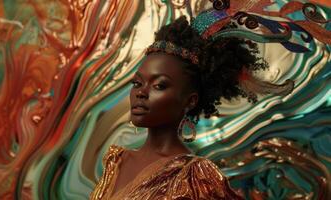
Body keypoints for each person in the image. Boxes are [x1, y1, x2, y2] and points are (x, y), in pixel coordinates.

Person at [89, 1, 331, 199]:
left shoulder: (193, 177)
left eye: (160, 85)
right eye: (137, 83)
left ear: (190, 101)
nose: (141, 92)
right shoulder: (116, 159)